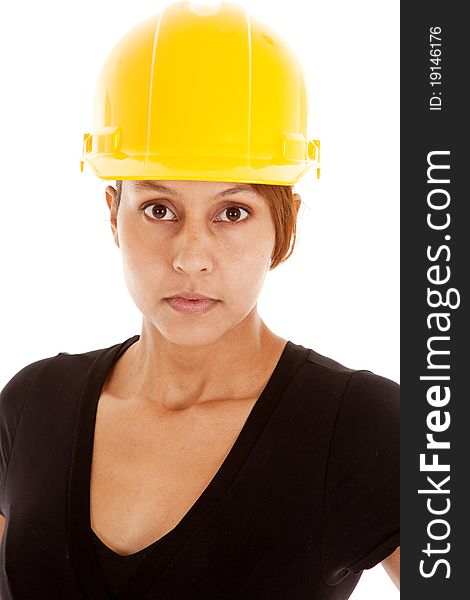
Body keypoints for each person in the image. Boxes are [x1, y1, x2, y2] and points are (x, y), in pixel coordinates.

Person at [0, 1, 399, 598]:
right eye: (159, 209)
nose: (191, 256)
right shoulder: (31, 406)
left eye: (232, 213)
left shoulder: (365, 427)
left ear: (282, 226)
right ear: (114, 214)